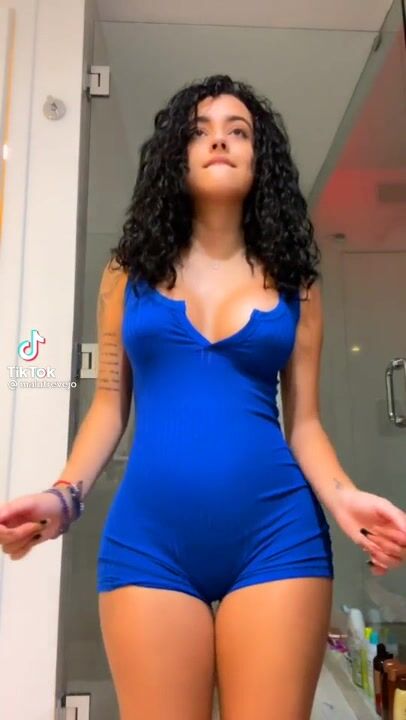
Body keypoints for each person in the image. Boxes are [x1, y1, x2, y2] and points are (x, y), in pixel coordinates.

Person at [1, 74, 405, 720]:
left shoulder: (297, 284)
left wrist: (344, 498)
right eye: (200, 131)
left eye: (237, 131)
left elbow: (304, 423)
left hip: (278, 539)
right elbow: (109, 405)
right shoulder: (127, 274)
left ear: (260, 158)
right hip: (149, 542)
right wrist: (64, 497)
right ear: (177, 156)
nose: (219, 140)